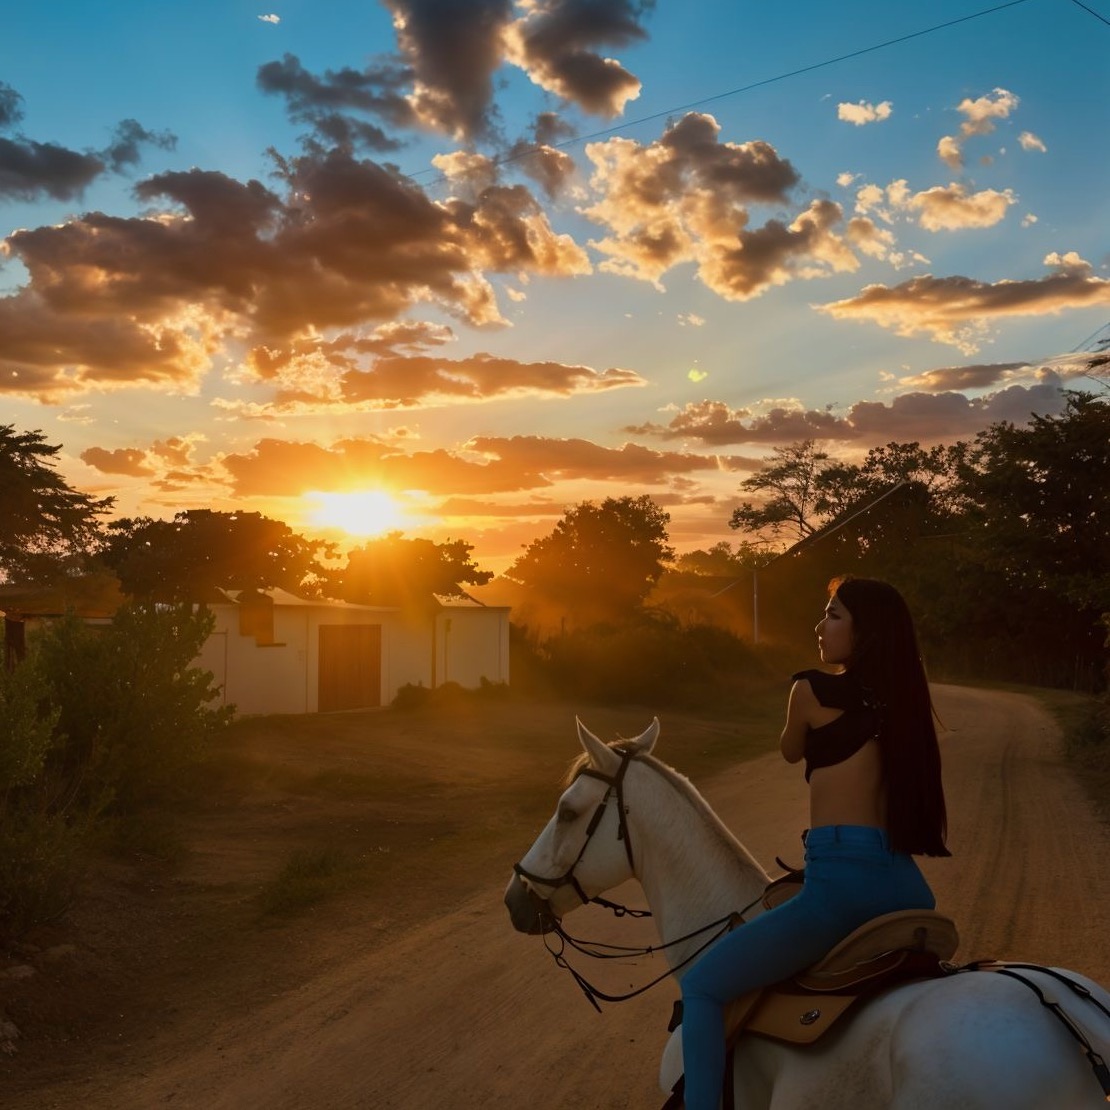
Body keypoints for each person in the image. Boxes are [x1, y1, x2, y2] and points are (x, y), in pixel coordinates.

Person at [679, 575, 950, 1110]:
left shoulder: (807, 689)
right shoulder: (905, 707)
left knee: (703, 988)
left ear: (864, 631)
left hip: (839, 885)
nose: (819, 626)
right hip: (903, 886)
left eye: (833, 614)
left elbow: (788, 751)